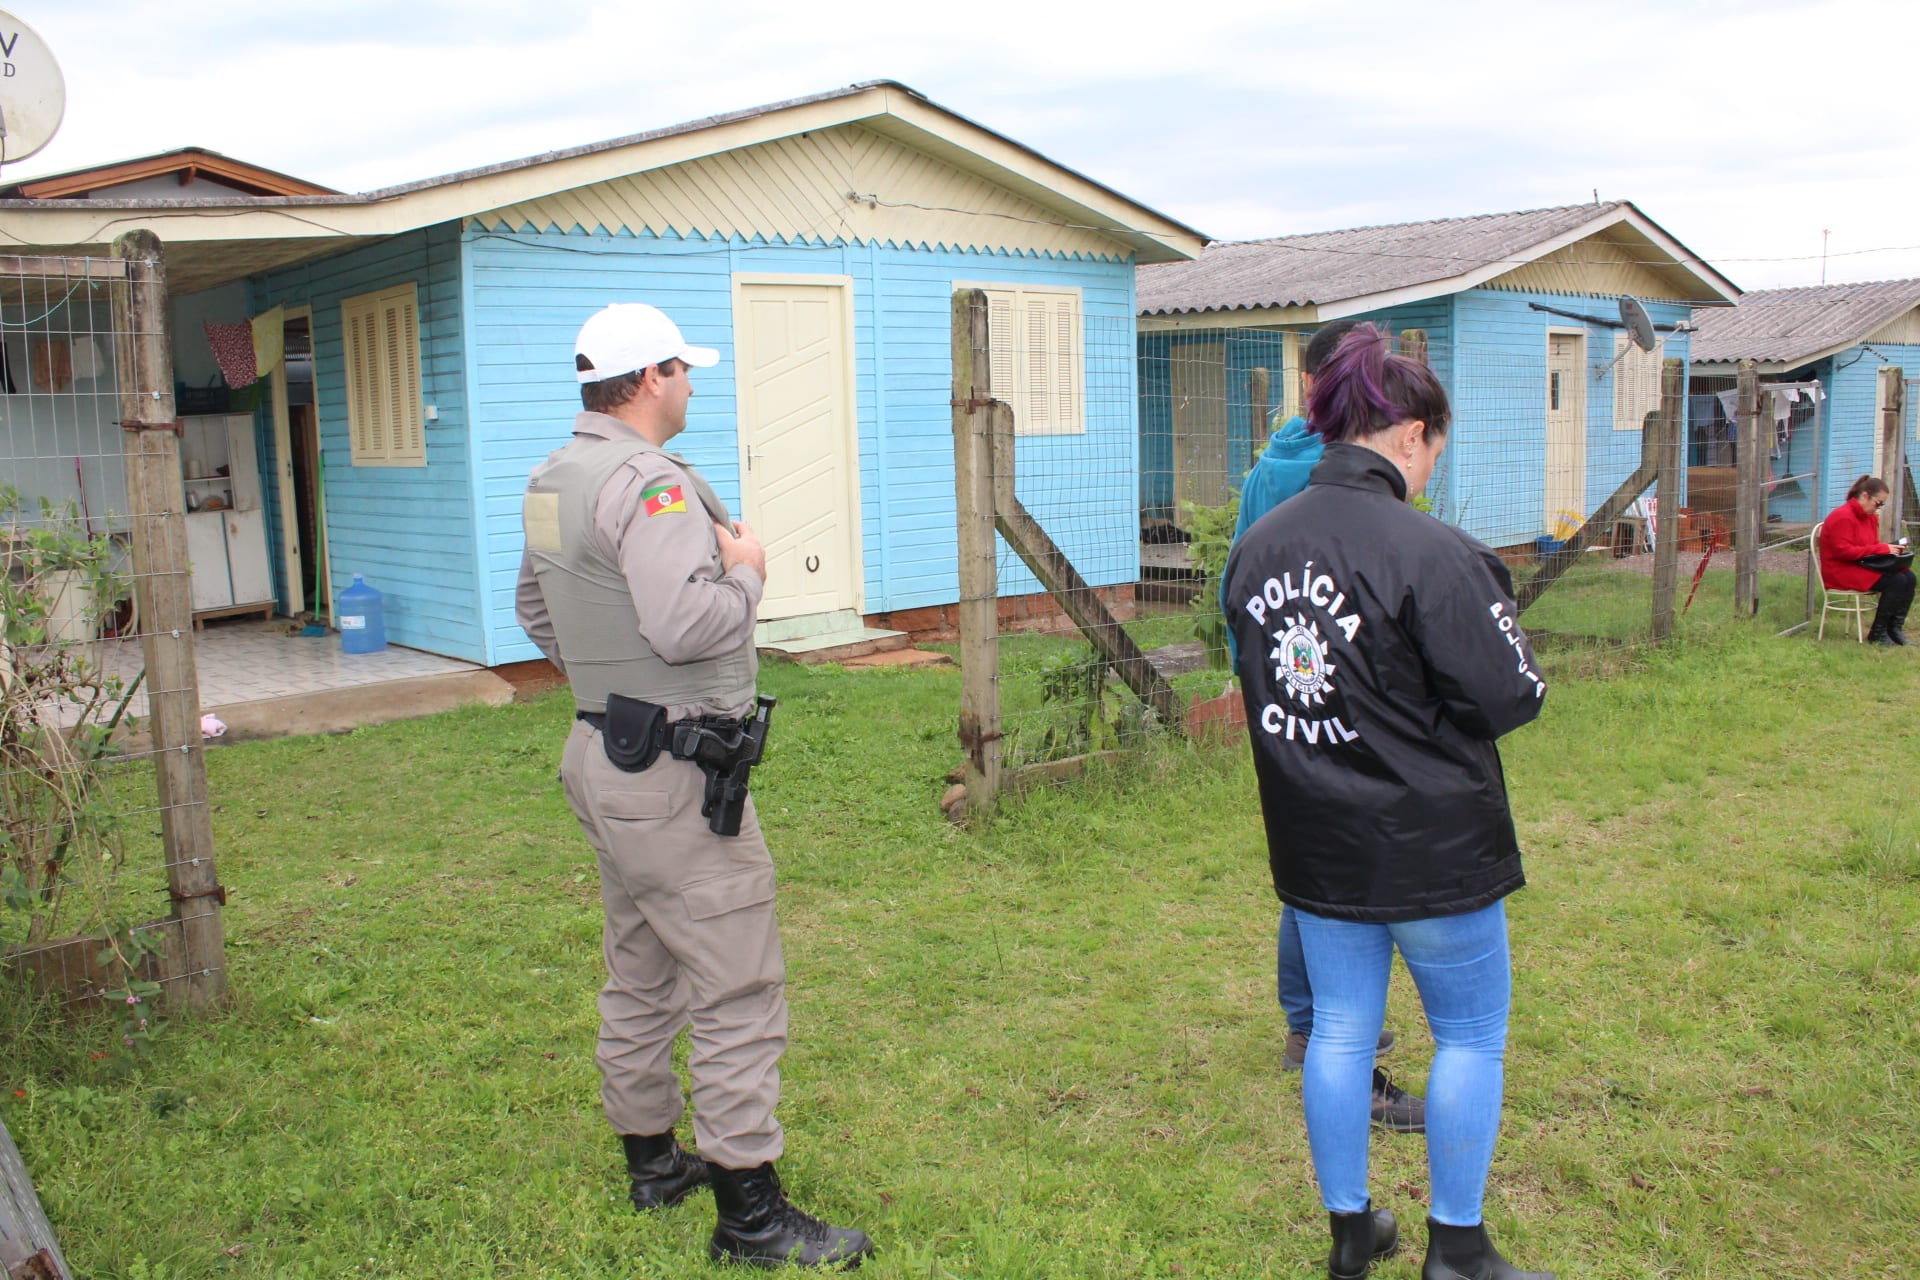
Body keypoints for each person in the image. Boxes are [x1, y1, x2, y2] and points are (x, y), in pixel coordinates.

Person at [517, 302, 874, 1270]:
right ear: (647, 378)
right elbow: (684, 624)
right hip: (673, 773)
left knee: (640, 961)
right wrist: (749, 573)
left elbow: (531, 607)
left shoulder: (557, 473)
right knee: (737, 983)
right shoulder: (650, 485)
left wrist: (609, 687)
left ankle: (652, 1160)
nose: (691, 382)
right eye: (682, 368)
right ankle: (750, 1213)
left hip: (604, 754)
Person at [1223, 324, 1552, 1280]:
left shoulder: (1256, 548)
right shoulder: (1436, 551)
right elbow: (1508, 695)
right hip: (1432, 844)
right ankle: (1456, 1247)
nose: (1432, 472)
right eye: (1434, 452)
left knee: (1336, 1030)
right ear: (1410, 434)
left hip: (1315, 835)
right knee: (1470, 1035)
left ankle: (1350, 1234)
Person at [1227, 319, 1424, 1136]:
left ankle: (1308, 1027)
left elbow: (1237, 580)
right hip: (1350, 693)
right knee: (1356, 867)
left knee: (1312, 857)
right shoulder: (1348, 475)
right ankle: (1345, 1049)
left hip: (1280, 690)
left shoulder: (1271, 461)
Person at [1819, 475, 1915, 646]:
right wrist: (1882, 549)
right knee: (1896, 581)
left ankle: (1894, 630)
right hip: (1841, 570)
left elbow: (1869, 546)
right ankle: (1878, 634)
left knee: (1909, 577)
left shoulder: (1869, 517)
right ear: (1865, 496)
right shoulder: (1842, 517)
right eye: (1878, 503)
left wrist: (1890, 549)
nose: (1878, 508)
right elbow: (1844, 552)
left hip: (1860, 564)